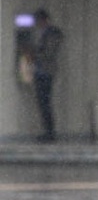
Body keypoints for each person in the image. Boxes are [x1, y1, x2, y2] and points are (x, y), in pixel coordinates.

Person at [23, 9, 63, 142]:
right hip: (38, 71)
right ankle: (47, 131)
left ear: (44, 20)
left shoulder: (53, 33)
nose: (37, 24)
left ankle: (50, 133)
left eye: (38, 21)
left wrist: (33, 54)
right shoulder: (39, 33)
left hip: (46, 71)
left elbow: (49, 53)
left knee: (45, 102)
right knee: (41, 103)